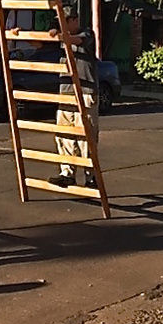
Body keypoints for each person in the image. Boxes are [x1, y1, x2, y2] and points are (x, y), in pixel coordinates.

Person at [47, 10, 99, 189]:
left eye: (65, 21)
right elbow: (39, 44)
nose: (61, 25)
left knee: (86, 135)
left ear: (75, 20)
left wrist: (60, 36)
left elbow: (78, 41)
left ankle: (90, 176)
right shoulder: (62, 38)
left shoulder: (86, 33)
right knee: (64, 133)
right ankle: (67, 172)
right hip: (66, 91)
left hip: (85, 91)